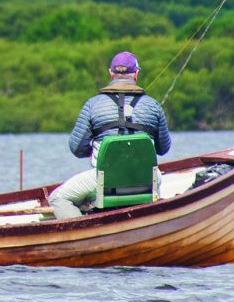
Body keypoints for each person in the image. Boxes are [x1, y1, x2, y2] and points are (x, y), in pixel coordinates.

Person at [49, 50, 174, 220]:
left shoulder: (92, 105)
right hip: (146, 178)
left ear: (110, 73)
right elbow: (163, 148)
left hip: (103, 180)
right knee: (156, 176)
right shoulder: (153, 105)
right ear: (136, 74)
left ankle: (84, 234)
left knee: (58, 198)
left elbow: (77, 148)